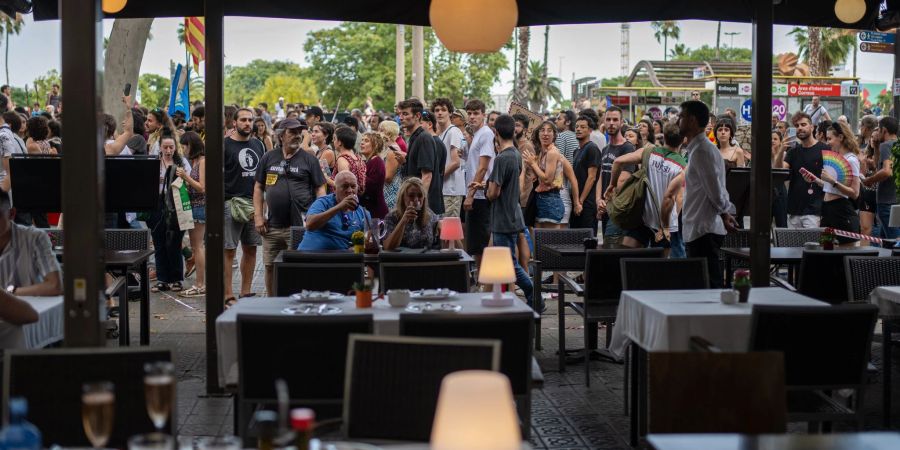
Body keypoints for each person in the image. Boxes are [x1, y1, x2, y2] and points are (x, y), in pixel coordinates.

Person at [253, 118, 326, 296]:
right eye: (292, 132)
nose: (297, 136)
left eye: (299, 132)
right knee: (269, 266)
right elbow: (258, 187)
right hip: (271, 226)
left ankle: (295, 301)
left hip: (299, 226)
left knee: (296, 267)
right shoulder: (269, 157)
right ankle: (272, 303)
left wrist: (317, 214)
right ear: (281, 135)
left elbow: (320, 188)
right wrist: (258, 216)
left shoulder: (309, 159)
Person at [679, 100, 737, 289]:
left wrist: (725, 212)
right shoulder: (698, 149)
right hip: (699, 228)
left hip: (703, 230)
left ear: (693, 120)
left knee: (708, 287)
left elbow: (715, 190)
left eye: (682, 116)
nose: (679, 120)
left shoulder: (702, 151)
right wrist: (725, 213)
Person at [606, 123, 686, 252]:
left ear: (664, 136)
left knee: (629, 259)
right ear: (684, 140)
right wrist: (665, 226)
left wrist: (612, 184)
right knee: (659, 267)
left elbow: (617, 162)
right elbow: (676, 198)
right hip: (664, 225)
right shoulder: (683, 167)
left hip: (641, 216)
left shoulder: (648, 152)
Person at [486, 115, 535, 309]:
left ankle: (533, 292)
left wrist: (485, 188)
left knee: (510, 265)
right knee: (509, 263)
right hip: (513, 215)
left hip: (503, 218)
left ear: (496, 133)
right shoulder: (515, 153)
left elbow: (493, 193)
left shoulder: (502, 158)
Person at [223, 108, 265, 306]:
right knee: (229, 250)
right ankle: (227, 294)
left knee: (251, 249)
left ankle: (245, 292)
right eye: (243, 120)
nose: (247, 123)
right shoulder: (224, 145)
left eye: (250, 120)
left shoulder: (258, 144)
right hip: (230, 202)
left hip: (254, 203)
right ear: (234, 123)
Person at [801, 121, 861, 247]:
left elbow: (855, 193)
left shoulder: (851, 159)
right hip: (827, 209)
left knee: (845, 254)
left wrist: (832, 181)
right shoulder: (837, 156)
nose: (827, 142)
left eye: (830, 138)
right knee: (825, 250)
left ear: (840, 137)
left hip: (841, 212)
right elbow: (831, 188)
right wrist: (815, 180)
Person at [149, 131, 191, 293]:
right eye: (165, 147)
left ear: (175, 148)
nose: (168, 150)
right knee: (159, 242)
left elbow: (188, 182)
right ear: (159, 148)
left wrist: (179, 177)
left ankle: (177, 279)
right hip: (158, 205)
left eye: (171, 147)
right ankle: (162, 279)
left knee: (174, 242)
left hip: (176, 204)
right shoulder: (154, 162)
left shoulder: (182, 163)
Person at [775, 112, 826, 229]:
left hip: (814, 210)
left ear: (812, 127)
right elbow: (779, 171)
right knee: (792, 247)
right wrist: (781, 149)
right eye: (797, 126)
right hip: (793, 210)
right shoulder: (793, 151)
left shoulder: (825, 149)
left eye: (803, 124)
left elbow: (832, 182)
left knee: (812, 247)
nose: (800, 128)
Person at [299, 171, 370, 251]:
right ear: (335, 189)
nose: (350, 190)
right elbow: (309, 225)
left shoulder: (363, 213)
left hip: (340, 260)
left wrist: (355, 248)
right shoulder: (323, 202)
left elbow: (368, 241)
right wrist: (339, 207)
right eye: (345, 186)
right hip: (310, 257)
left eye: (353, 186)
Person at [596, 106, 636, 245]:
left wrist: (605, 203)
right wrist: (598, 200)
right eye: (608, 119)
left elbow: (623, 180)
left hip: (618, 209)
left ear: (621, 123)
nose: (611, 123)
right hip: (606, 207)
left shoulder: (627, 148)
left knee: (611, 247)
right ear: (604, 122)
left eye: (615, 120)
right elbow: (601, 176)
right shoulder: (605, 148)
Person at [175, 131, 207, 297]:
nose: (183, 149)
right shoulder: (193, 161)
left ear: (191, 145)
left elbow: (202, 187)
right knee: (197, 247)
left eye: (184, 146)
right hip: (194, 206)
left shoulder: (202, 161)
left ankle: (200, 284)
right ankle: (200, 283)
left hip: (200, 206)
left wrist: (185, 177)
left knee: (197, 247)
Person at [399, 98, 443, 215]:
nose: (401, 117)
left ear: (417, 115)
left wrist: (418, 204)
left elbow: (427, 176)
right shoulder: (415, 137)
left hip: (424, 208)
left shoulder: (424, 138)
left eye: (405, 114)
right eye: (400, 114)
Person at [463, 99, 494, 262]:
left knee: (481, 244)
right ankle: (480, 280)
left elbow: (483, 167)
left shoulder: (487, 134)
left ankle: (484, 284)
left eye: (476, 113)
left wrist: (470, 195)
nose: (472, 117)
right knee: (475, 244)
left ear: (484, 115)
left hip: (480, 196)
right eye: (469, 113)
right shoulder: (478, 134)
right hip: (476, 194)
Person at [865, 116, 900, 241]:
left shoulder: (886, 145)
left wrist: (869, 180)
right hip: (895, 200)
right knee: (885, 242)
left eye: (879, 130)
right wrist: (875, 148)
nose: (877, 133)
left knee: (894, 242)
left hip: (886, 202)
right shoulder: (896, 145)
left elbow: (886, 171)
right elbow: (879, 168)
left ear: (884, 130)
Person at [525, 121, 564, 229]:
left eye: (549, 131)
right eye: (542, 130)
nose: (545, 134)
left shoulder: (552, 152)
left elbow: (547, 179)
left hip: (551, 199)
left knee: (550, 243)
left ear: (554, 135)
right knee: (540, 242)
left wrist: (533, 164)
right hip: (542, 199)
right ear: (537, 134)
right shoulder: (543, 152)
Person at [382, 177, 440, 250]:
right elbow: (387, 247)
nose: (416, 200)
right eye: (411, 196)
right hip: (401, 260)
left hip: (425, 259)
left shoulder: (430, 216)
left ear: (424, 198)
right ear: (403, 197)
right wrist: (403, 221)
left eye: (420, 196)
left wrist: (442, 226)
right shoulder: (392, 217)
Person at [434, 98, 466, 219]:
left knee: (449, 233)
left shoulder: (454, 132)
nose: (440, 113)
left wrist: (437, 178)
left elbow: (455, 163)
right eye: (437, 110)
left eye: (443, 110)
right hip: (444, 190)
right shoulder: (441, 133)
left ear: (450, 113)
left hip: (452, 190)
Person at [570, 115, 601, 233]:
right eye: (577, 127)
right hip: (576, 202)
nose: (578, 129)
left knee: (587, 240)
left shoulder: (592, 148)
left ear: (590, 130)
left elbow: (592, 178)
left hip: (587, 204)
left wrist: (580, 201)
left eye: (583, 127)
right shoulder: (576, 151)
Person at [555, 109, 579, 224]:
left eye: (559, 119)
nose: (556, 121)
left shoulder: (561, 137)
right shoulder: (576, 136)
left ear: (568, 122)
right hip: (574, 184)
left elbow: (558, 162)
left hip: (564, 185)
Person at [328, 126, 366, 194]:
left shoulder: (342, 160)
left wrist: (327, 180)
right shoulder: (357, 157)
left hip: (345, 200)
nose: (332, 141)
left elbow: (345, 186)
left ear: (340, 142)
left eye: (334, 138)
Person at [359, 131, 388, 219]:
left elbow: (372, 185)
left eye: (366, 141)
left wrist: (357, 172)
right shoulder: (368, 161)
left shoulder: (377, 161)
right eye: (362, 140)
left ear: (375, 145)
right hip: (369, 209)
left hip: (376, 212)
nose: (362, 143)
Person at [378, 120, 404, 209]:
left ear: (388, 134)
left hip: (391, 191)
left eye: (381, 130)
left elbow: (388, 177)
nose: (378, 133)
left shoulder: (392, 151)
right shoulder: (388, 149)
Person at [770, 131, 789, 228]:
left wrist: (775, 156)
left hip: (781, 190)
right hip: (767, 189)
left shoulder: (785, 154)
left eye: (775, 139)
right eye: (770, 139)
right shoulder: (762, 154)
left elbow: (779, 172)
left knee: (781, 222)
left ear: (780, 141)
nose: (772, 141)